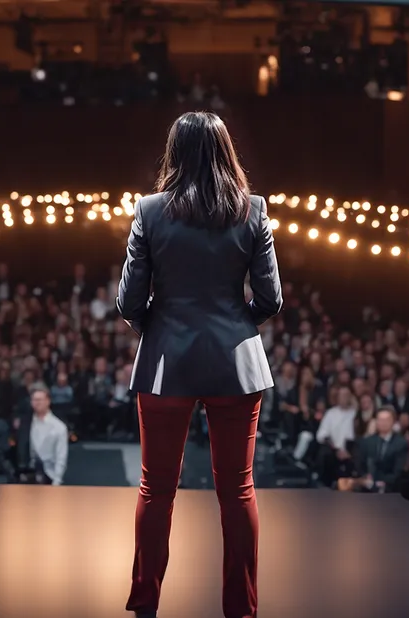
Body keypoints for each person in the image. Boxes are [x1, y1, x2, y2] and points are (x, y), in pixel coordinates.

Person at [118, 111, 282, 618]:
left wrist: (160, 326)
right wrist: (236, 323)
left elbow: (129, 302)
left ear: (174, 152)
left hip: (166, 365)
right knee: (238, 491)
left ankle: (146, 603)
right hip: (237, 366)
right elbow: (271, 299)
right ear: (225, 152)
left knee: (156, 488)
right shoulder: (253, 211)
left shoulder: (149, 211)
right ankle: (242, 609)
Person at [15, 387, 69, 485]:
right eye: (34, 400)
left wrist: (57, 481)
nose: (37, 403)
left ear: (48, 401)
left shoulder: (59, 427)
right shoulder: (25, 423)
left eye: (40, 400)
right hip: (27, 473)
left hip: (49, 475)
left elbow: (61, 457)